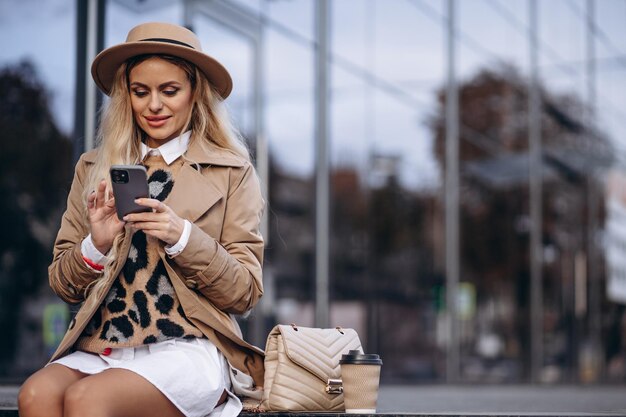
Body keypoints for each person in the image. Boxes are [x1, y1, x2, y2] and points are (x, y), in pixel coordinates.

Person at [18, 22, 265, 417]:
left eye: (170, 91)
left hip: (186, 348)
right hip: (104, 347)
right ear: (125, 96)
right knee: (34, 395)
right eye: (140, 92)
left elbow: (245, 292)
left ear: (194, 94)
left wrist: (183, 236)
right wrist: (95, 245)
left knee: (89, 400)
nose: (154, 105)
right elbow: (63, 285)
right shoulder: (94, 168)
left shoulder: (232, 172)